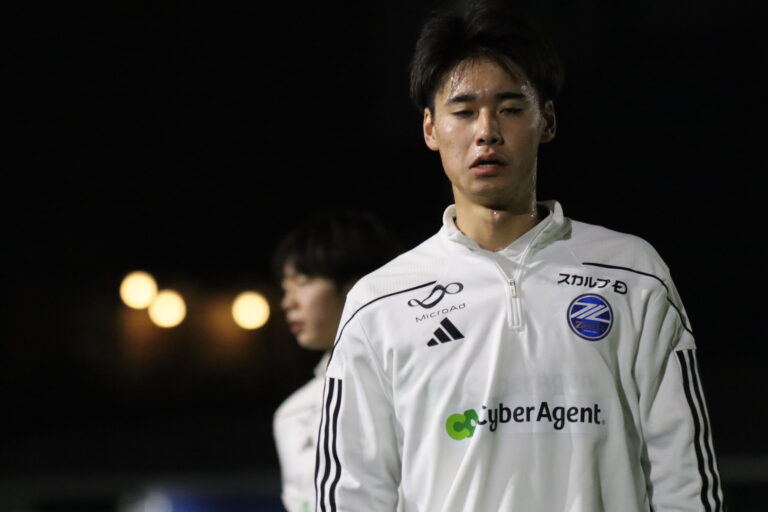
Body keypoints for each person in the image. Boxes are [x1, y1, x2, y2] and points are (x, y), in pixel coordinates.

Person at [314, 1, 725, 511]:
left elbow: (684, 476)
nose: (486, 130)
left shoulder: (633, 274)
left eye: (510, 108)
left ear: (546, 120)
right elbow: (353, 493)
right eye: (463, 111)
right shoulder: (381, 302)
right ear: (430, 129)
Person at [272, 211, 401, 512]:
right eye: (285, 288)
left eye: (302, 281)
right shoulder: (294, 415)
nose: (288, 302)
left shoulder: (421, 378)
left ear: (360, 283)